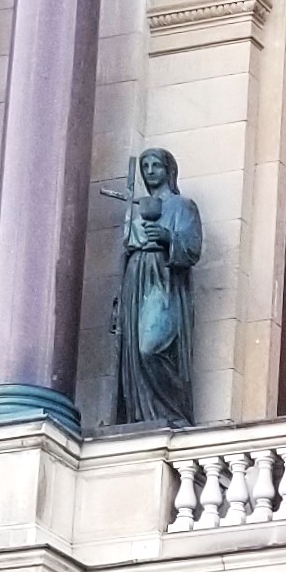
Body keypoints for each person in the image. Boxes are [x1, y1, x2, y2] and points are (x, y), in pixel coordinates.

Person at [111, 148, 201, 426]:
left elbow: (192, 247)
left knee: (150, 347)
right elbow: (126, 250)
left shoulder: (182, 206)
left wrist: (166, 236)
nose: (150, 171)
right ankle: (143, 415)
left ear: (169, 171)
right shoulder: (136, 210)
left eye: (156, 166)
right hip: (136, 278)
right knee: (133, 351)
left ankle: (172, 412)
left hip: (163, 278)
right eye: (146, 166)